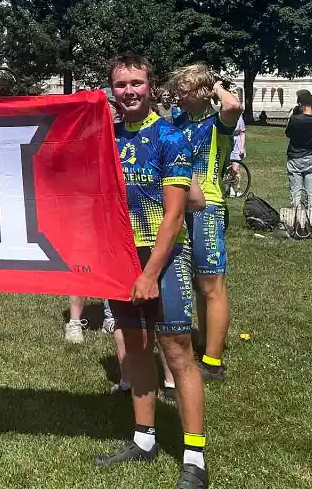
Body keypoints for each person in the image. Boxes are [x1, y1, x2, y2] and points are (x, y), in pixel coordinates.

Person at [95, 54, 207, 489]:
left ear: (151, 86)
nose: (129, 92)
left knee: (177, 352)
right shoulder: (105, 137)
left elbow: (176, 215)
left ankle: (194, 457)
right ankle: (144, 440)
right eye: (121, 85)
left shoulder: (170, 136)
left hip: (162, 257)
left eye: (136, 83)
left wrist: (150, 271)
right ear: (112, 90)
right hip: (119, 258)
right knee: (136, 349)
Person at [170, 65, 242, 383]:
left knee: (212, 286)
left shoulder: (219, 124)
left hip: (208, 209)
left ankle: (213, 362)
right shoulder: (181, 121)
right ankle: (203, 342)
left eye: (184, 93)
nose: (178, 98)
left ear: (201, 94)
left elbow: (233, 105)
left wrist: (214, 86)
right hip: (180, 206)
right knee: (197, 284)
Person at [285, 89, 312, 211]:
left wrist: (293, 114)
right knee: (311, 192)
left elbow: (287, 133)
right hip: (311, 157)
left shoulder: (295, 119)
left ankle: (298, 220)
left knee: (296, 192)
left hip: (295, 157)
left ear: (300, 105)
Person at [227, 116, 246, 197]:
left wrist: (241, 148)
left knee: (236, 169)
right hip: (227, 141)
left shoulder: (239, 118)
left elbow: (242, 133)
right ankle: (230, 188)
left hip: (237, 144)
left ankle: (237, 189)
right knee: (228, 168)